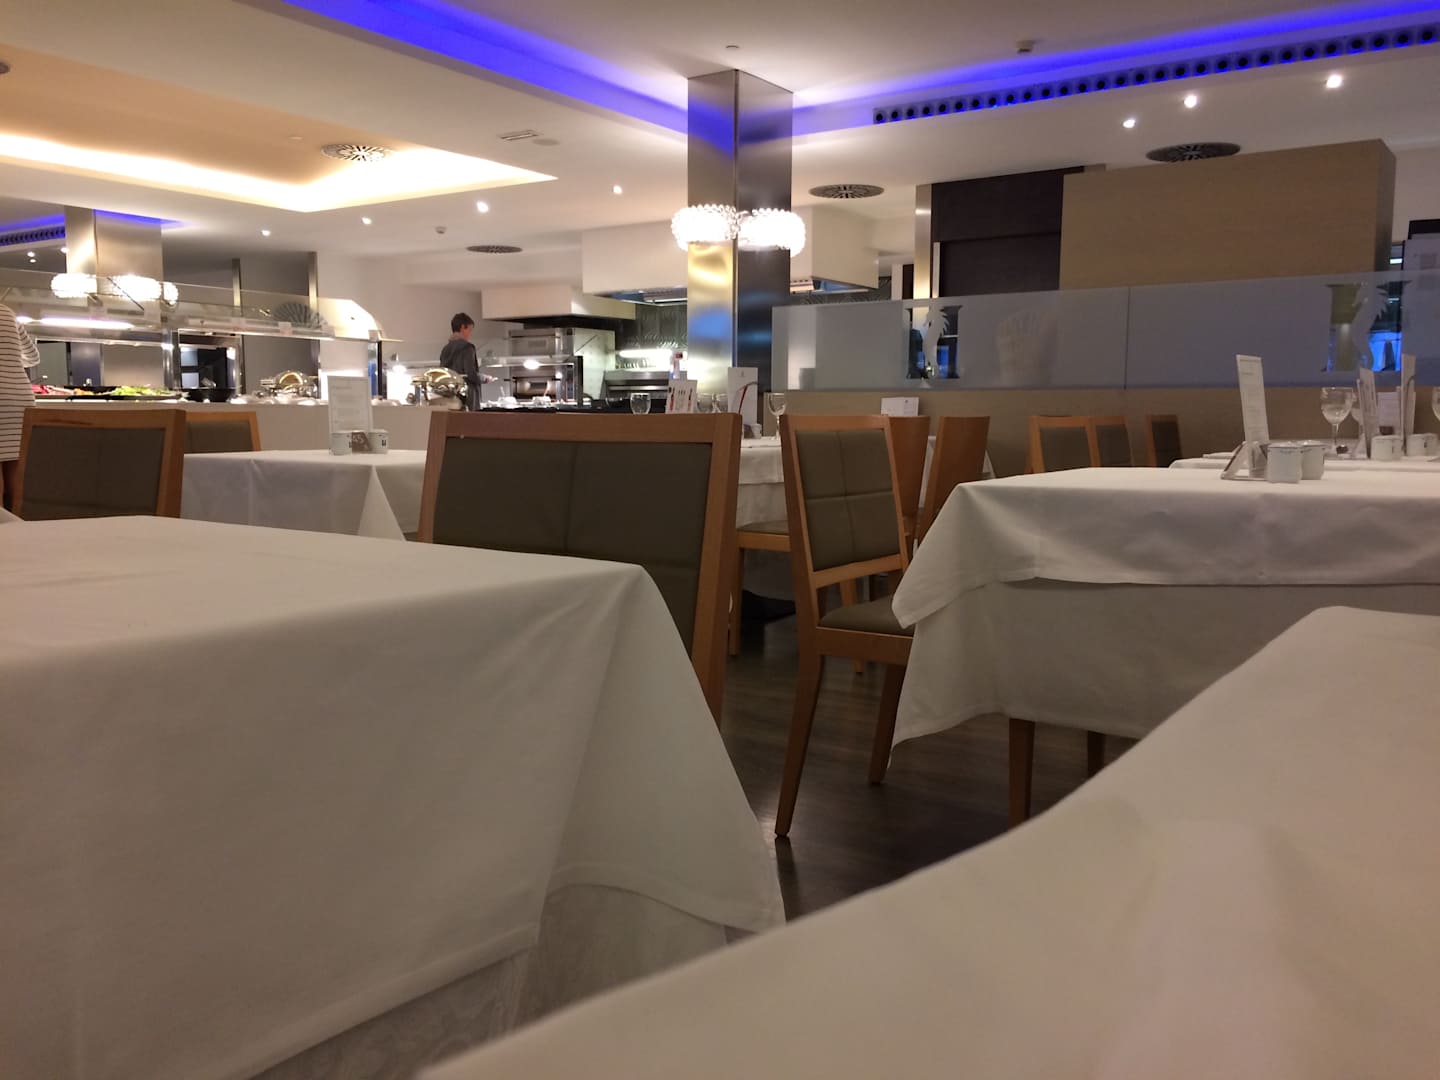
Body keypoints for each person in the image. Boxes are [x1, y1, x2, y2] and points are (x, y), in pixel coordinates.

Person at [0, 302, 39, 510]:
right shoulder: (7, 312)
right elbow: (33, 356)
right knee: (16, 467)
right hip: (20, 399)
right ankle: (19, 521)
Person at [437, 312, 494, 410]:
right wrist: (484, 378)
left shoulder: (445, 349)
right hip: (468, 398)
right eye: (470, 330)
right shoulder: (467, 348)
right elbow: (471, 374)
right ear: (463, 327)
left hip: (451, 398)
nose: (470, 334)